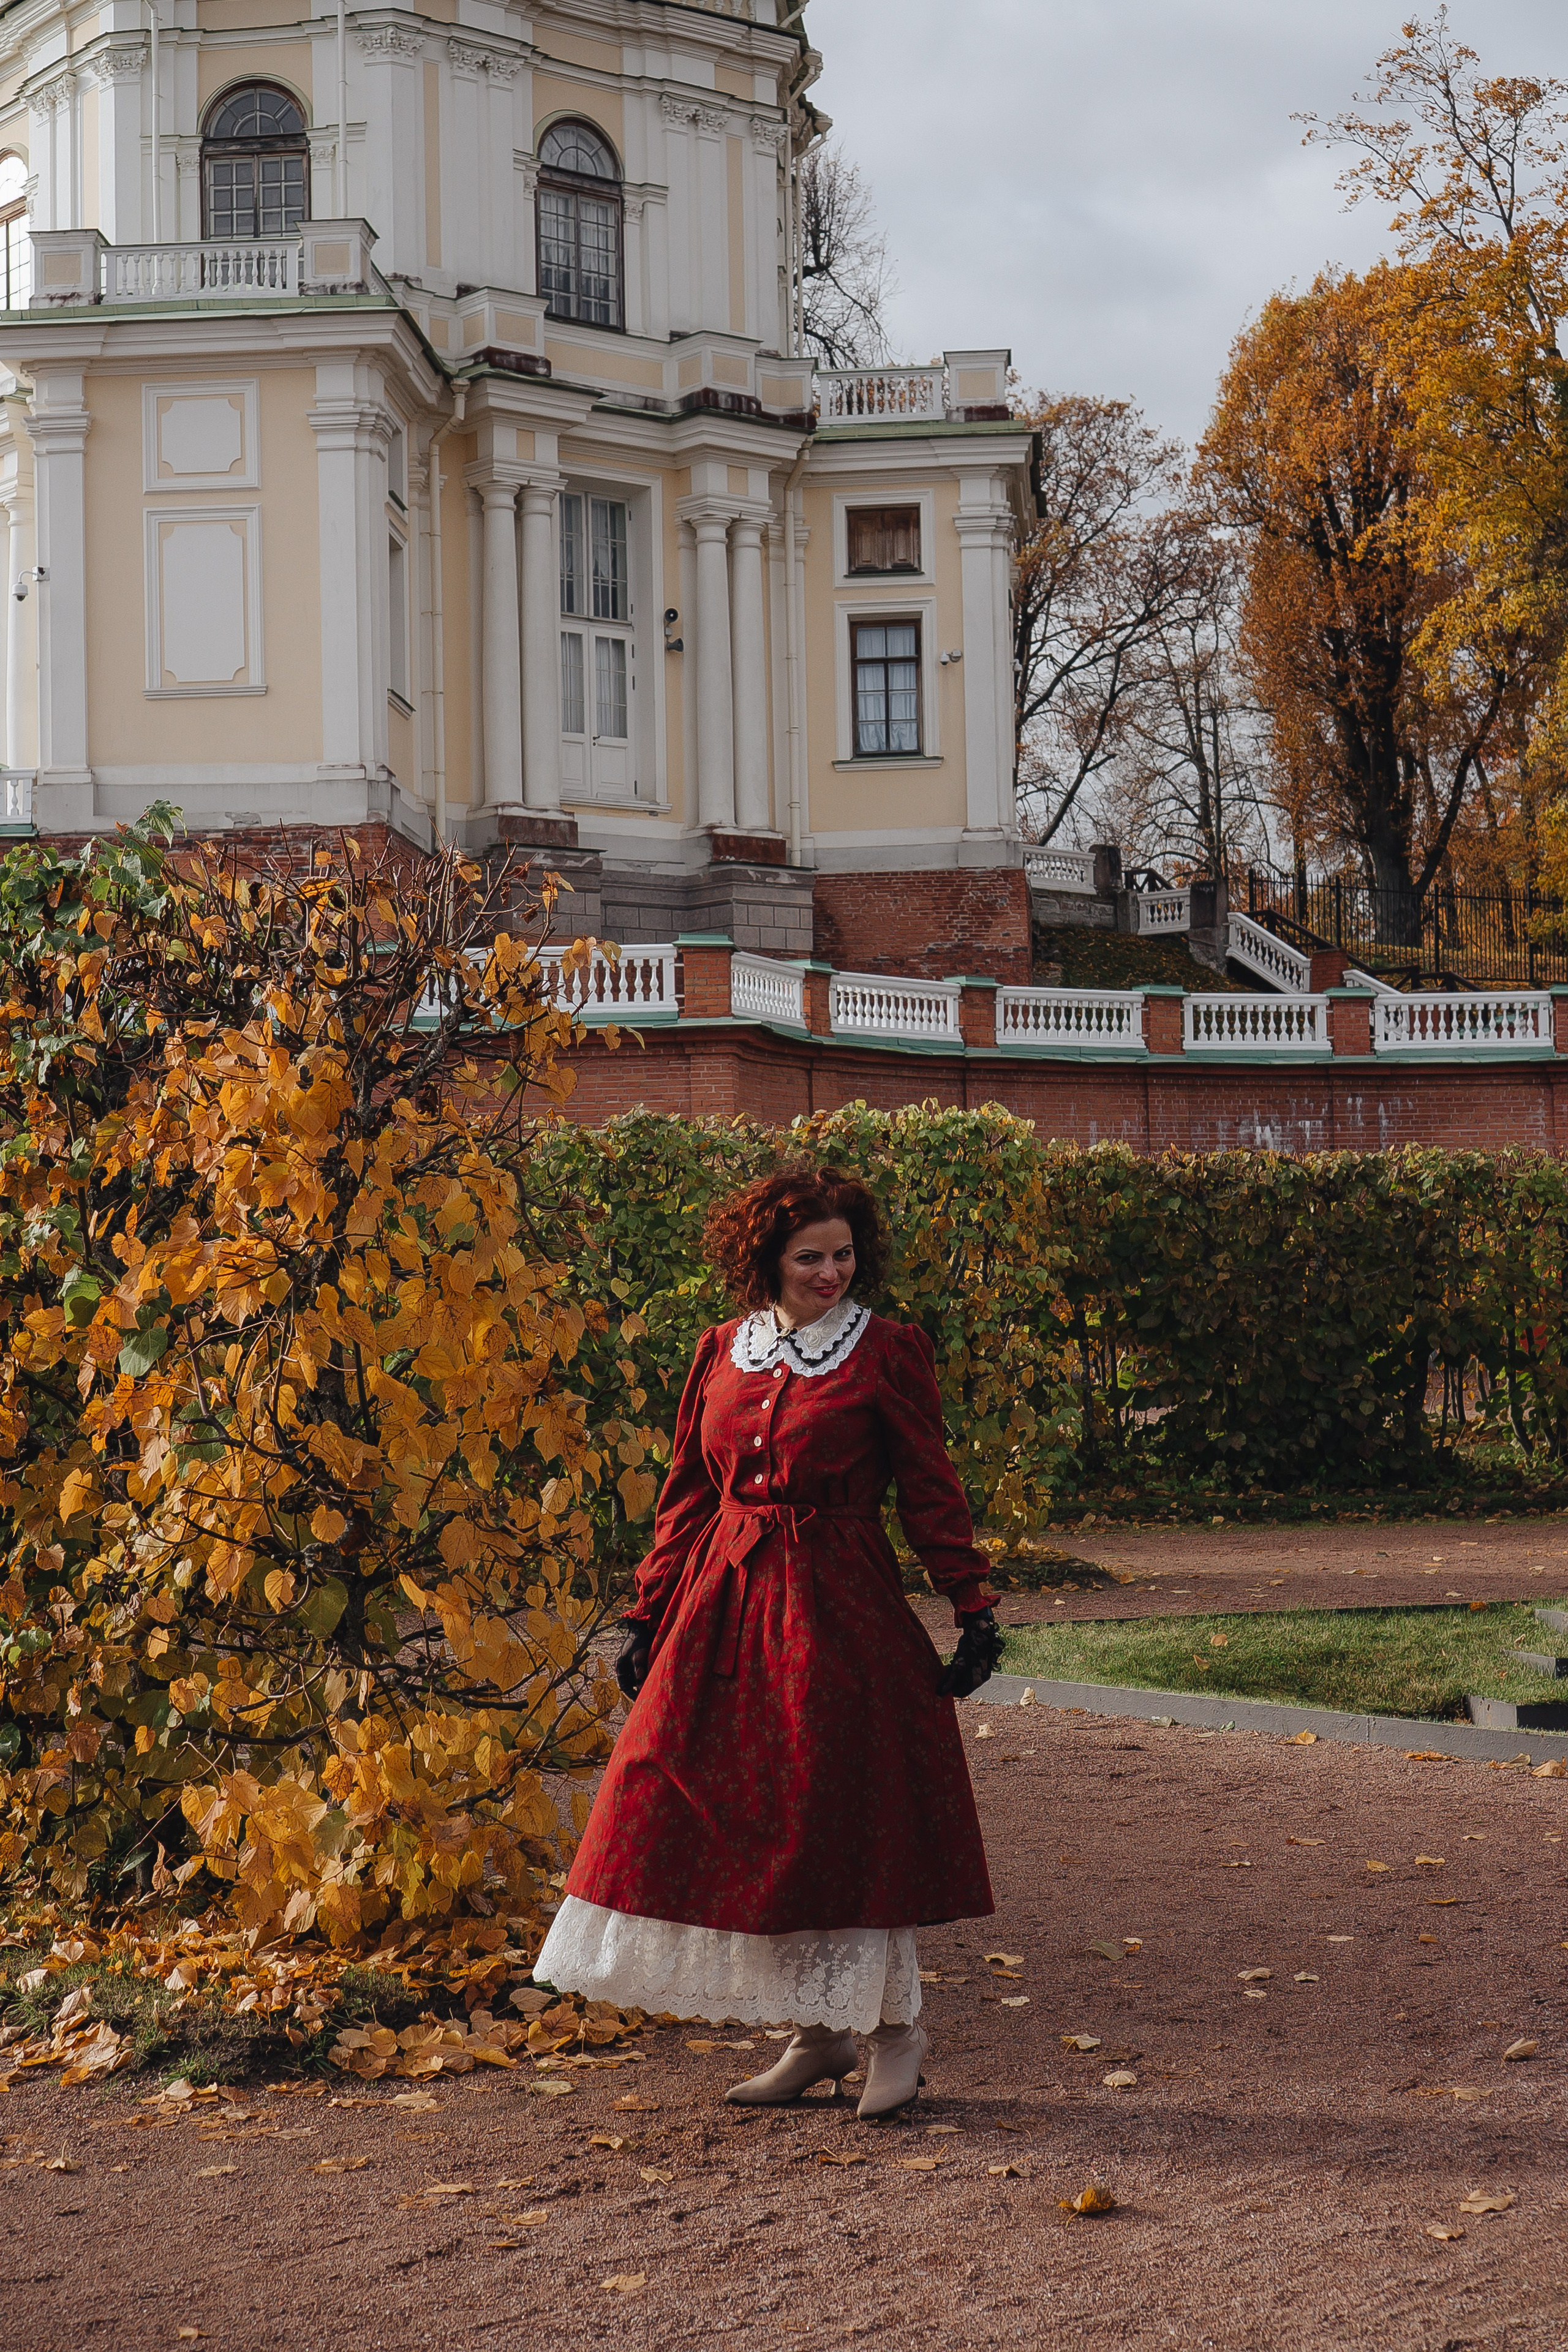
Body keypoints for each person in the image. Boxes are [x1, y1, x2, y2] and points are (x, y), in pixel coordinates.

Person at [532, 1164, 1004, 2119]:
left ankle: (893, 2032)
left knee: (833, 1816)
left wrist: (973, 1601)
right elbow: (687, 1497)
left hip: (839, 1613)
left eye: (844, 1255)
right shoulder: (722, 1350)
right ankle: (816, 2035)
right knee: (693, 1796)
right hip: (724, 1605)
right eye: (810, 1258)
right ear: (767, 1263)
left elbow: (928, 1486)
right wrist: (646, 1611)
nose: (832, 1272)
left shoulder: (886, 1352)